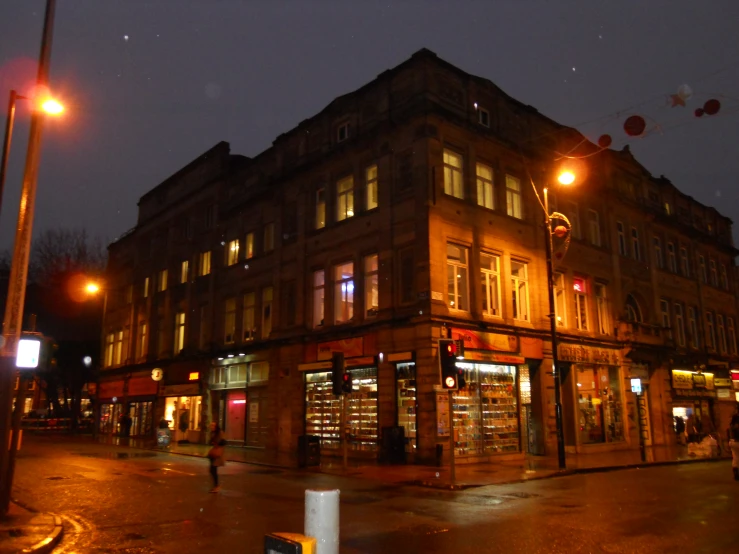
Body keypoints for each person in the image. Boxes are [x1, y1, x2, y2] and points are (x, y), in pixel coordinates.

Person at [207, 421, 226, 493]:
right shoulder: (212, 433)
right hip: (214, 453)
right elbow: (210, 442)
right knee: (212, 470)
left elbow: (223, 442)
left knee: (213, 469)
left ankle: (216, 486)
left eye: (213, 426)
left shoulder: (220, 433)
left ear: (216, 426)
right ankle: (216, 486)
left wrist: (217, 443)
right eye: (211, 426)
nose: (211, 427)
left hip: (217, 454)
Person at [730, 404, 739, 481]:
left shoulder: (734, 417)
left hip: (733, 441)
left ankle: (736, 474)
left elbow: (731, 428)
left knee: (735, 457)